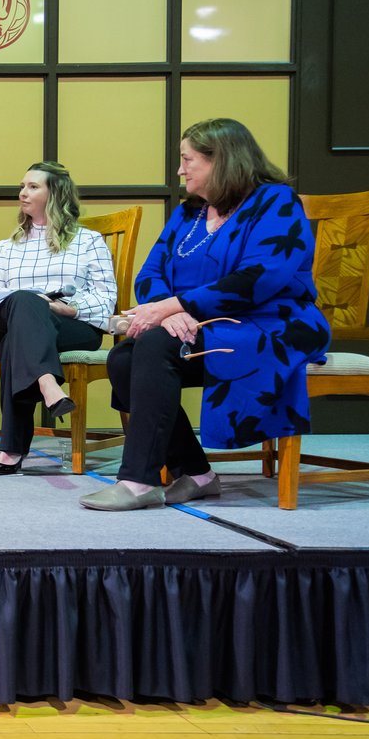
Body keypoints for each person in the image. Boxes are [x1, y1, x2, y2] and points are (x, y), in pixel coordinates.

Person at [79, 118, 330, 511]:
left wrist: (176, 306)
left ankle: (138, 482)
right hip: (202, 326)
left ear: (222, 160)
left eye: (188, 160)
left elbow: (260, 277)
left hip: (270, 324)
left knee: (155, 346)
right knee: (124, 358)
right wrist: (167, 312)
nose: (180, 170)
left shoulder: (276, 202)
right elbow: (150, 274)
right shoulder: (188, 214)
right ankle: (196, 474)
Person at [0, 161, 117, 474]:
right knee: (24, 301)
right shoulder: (6, 247)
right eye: (22, 187)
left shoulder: (89, 242)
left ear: (55, 194)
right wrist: (27, 303)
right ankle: (48, 383)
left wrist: (64, 308)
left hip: (69, 323)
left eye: (32, 187)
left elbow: (105, 298)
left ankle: (12, 448)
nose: (22, 193)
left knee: (18, 339)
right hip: (6, 320)